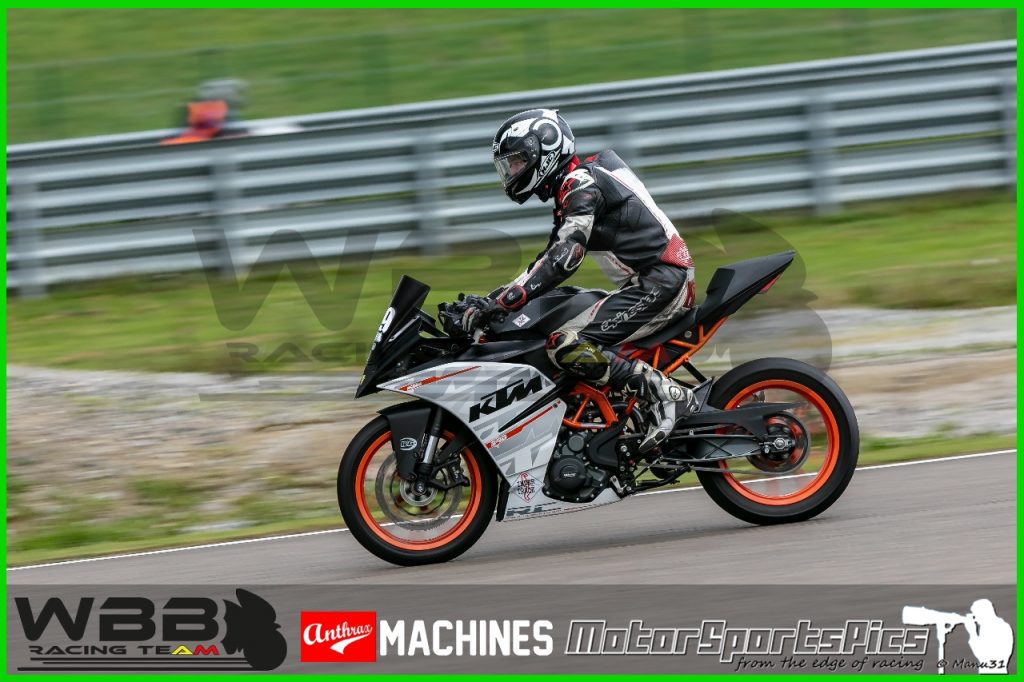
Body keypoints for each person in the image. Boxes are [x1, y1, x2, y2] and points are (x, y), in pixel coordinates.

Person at [463, 108, 699, 452]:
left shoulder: (582, 186)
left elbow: (564, 258)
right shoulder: (575, 186)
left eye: (516, 161)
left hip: (661, 283)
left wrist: (503, 302)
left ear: (543, 152)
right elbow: (546, 260)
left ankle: (668, 395)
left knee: (565, 343)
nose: (511, 172)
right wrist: (493, 299)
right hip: (650, 281)